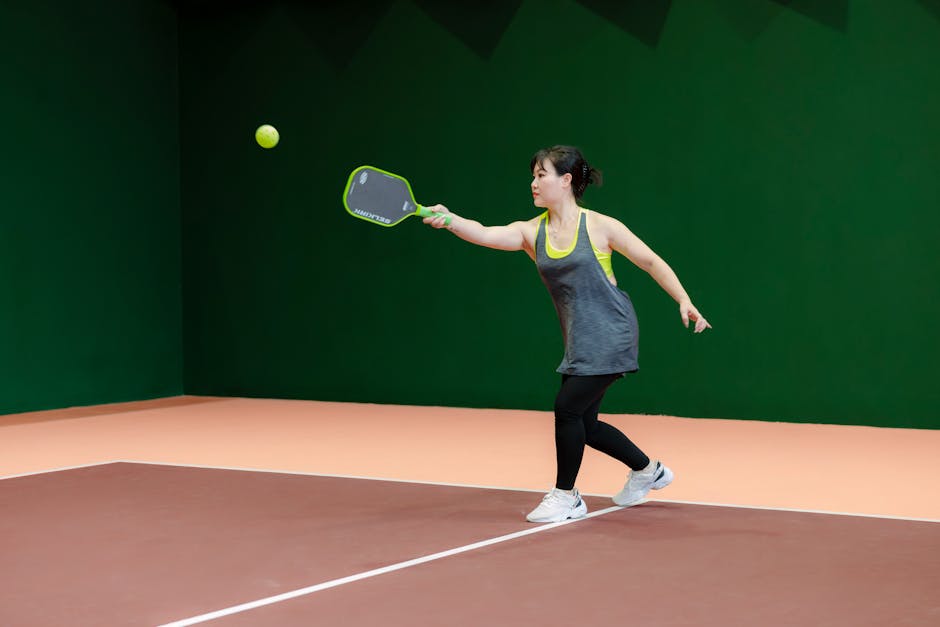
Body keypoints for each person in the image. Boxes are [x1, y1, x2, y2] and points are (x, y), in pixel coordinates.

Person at [423, 145, 711, 523]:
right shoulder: (531, 231)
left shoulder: (599, 226)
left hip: (612, 331)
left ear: (567, 180)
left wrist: (683, 299)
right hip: (579, 339)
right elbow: (485, 233)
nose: (534, 183)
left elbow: (649, 261)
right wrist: (451, 220)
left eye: (542, 175)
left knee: (567, 408)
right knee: (585, 424)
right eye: (533, 175)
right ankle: (647, 471)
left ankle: (566, 496)